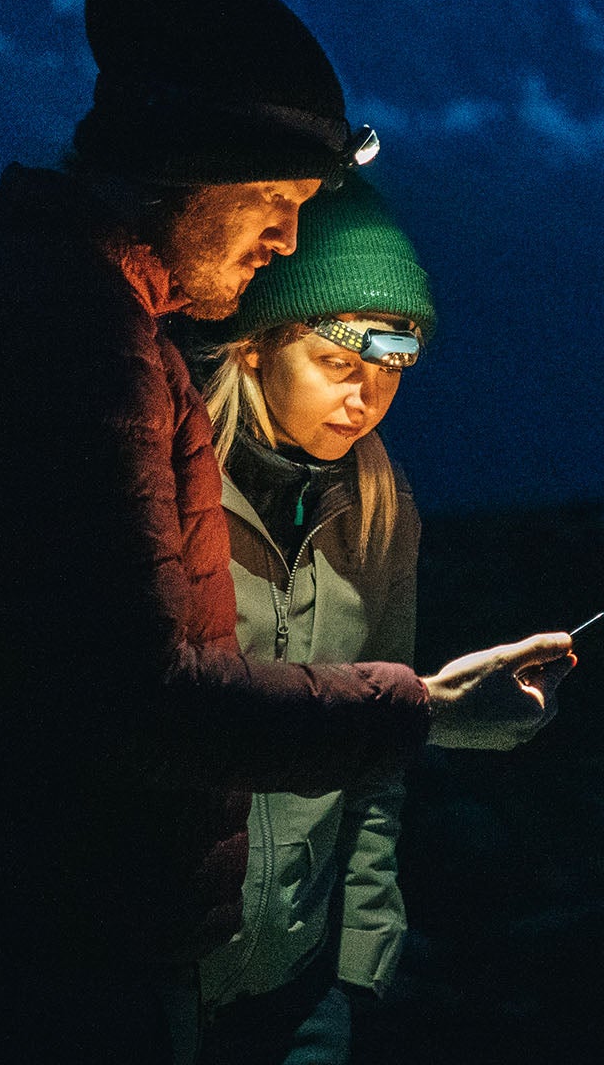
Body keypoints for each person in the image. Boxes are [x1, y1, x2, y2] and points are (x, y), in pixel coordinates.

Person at [0, 0, 574, 1065]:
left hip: (54, 946)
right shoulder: (73, 340)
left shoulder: (65, 309)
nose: (289, 239)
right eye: (280, 201)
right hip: (53, 973)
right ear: (191, 172)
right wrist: (426, 710)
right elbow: (137, 700)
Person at [191, 177, 440, 1064]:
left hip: (300, 979)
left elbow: (380, 762)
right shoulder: (176, 494)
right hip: (161, 969)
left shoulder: (378, 508)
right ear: (255, 347)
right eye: (339, 364)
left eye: (390, 373)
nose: (366, 400)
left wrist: (356, 964)